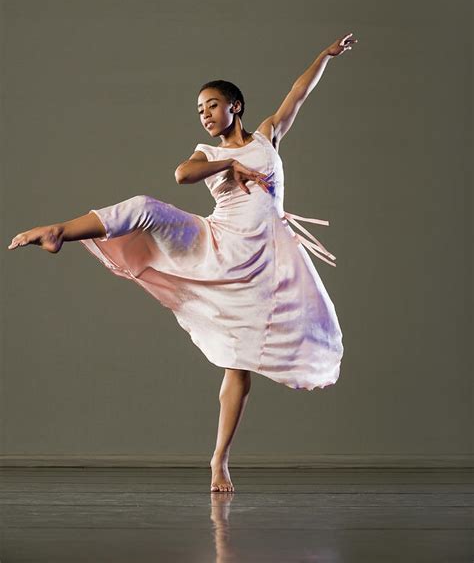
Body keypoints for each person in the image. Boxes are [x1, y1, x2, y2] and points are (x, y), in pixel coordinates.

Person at [8, 33, 358, 492]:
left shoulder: (268, 136)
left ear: (236, 105)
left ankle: (219, 462)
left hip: (263, 261)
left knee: (238, 365)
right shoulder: (208, 153)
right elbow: (182, 174)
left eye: (212, 105)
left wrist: (324, 57)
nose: (206, 115)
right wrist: (228, 167)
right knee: (143, 206)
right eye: (200, 110)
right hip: (218, 241)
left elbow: (297, 93)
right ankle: (60, 231)